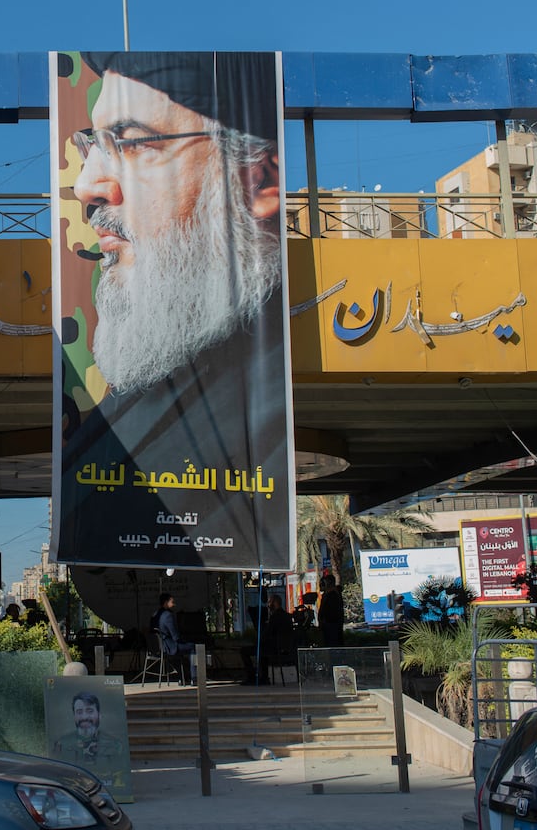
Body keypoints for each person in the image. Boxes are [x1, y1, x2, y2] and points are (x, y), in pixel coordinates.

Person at [57, 51, 289, 570]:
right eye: (93, 144)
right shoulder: (142, 391)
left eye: (135, 142)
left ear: (260, 181)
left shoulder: (265, 415)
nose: (87, 187)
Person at [50, 691, 126, 787]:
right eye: (79, 712)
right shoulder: (61, 744)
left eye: (90, 711)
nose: (84, 717)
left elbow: (121, 778)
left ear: (99, 715)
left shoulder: (115, 745)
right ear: (74, 716)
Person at [152, 592, 195, 685]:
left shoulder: (155, 615)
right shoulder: (168, 615)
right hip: (169, 647)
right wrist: (186, 640)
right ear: (165, 602)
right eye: (172, 601)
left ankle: (183, 677)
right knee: (193, 647)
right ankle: (194, 678)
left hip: (160, 647)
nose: (174, 604)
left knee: (179, 654)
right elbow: (176, 637)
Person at [317, 575, 345, 647]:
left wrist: (324, 621)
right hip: (329, 625)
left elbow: (330, 611)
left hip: (331, 626)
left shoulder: (333, 595)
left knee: (333, 644)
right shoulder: (329, 594)